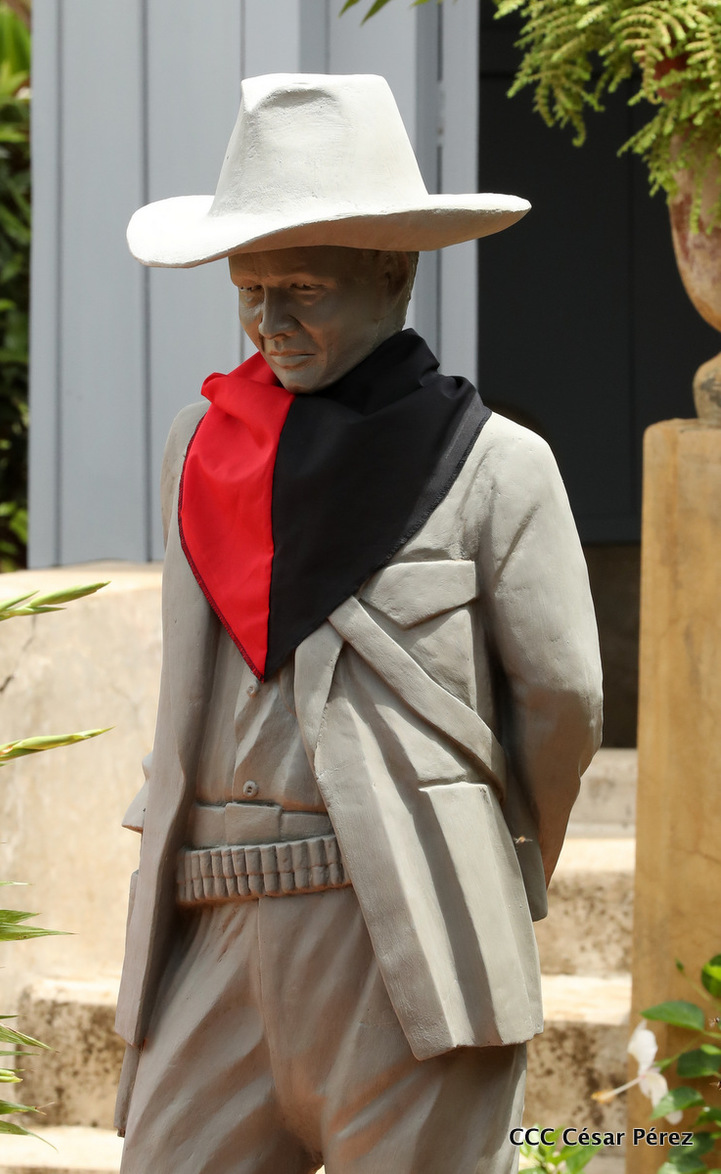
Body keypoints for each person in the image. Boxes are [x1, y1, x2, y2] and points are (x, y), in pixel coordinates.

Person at [114, 73, 602, 1174]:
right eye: (250, 289)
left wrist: (485, 857)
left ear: (392, 272)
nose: (270, 322)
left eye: (302, 288)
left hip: (408, 920)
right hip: (212, 922)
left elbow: (565, 703)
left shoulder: (497, 465)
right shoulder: (201, 453)